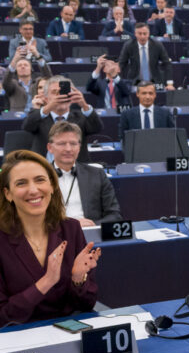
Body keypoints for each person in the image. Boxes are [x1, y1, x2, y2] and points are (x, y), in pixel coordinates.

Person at [0, 149, 102, 326]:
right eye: (21, 183)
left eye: (40, 180)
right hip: (19, 338)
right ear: (8, 194)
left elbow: (87, 304)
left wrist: (78, 279)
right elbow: (2, 317)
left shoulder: (71, 228)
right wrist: (46, 282)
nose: (33, 190)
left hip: (68, 331)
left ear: (53, 186)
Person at [46, 121, 122, 226]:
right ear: (50, 148)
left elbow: (114, 215)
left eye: (73, 144)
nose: (68, 149)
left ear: (79, 147)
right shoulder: (38, 177)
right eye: (62, 144)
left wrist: (93, 225)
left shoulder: (97, 174)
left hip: (89, 235)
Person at [22, 78, 101, 162]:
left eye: (64, 92)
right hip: (44, 169)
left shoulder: (80, 117)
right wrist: (48, 107)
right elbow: (27, 126)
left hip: (76, 170)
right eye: (54, 92)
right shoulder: (40, 117)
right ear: (46, 98)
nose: (60, 96)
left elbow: (97, 128)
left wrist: (84, 105)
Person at [117, 22, 172, 88]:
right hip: (135, 82)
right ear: (135, 34)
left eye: (144, 34)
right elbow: (121, 64)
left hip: (155, 82)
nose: (142, 36)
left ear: (148, 34)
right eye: (139, 34)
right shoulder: (129, 45)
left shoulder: (157, 45)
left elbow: (167, 64)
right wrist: (118, 82)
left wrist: (169, 83)